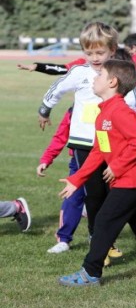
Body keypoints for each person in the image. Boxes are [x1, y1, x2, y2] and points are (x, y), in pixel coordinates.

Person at [57, 59, 136, 287]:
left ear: (112, 82)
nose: (94, 79)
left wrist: (117, 166)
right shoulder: (103, 112)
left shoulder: (119, 111)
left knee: (104, 221)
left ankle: (89, 273)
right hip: (131, 180)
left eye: (99, 76)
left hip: (134, 180)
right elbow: (98, 151)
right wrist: (76, 180)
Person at [37, 22, 136, 263]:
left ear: (112, 50)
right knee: (94, 196)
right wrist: (45, 109)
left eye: (100, 52)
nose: (94, 57)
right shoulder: (80, 73)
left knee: (112, 195)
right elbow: (58, 88)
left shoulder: (120, 74)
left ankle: (106, 238)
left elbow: (133, 104)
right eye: (89, 52)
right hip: (85, 145)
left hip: (112, 147)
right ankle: (99, 242)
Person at [37, 107, 86, 254]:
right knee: (72, 198)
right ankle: (63, 240)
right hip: (78, 162)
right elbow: (60, 136)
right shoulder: (75, 109)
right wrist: (46, 159)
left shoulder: (110, 107)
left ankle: (105, 242)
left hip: (105, 162)